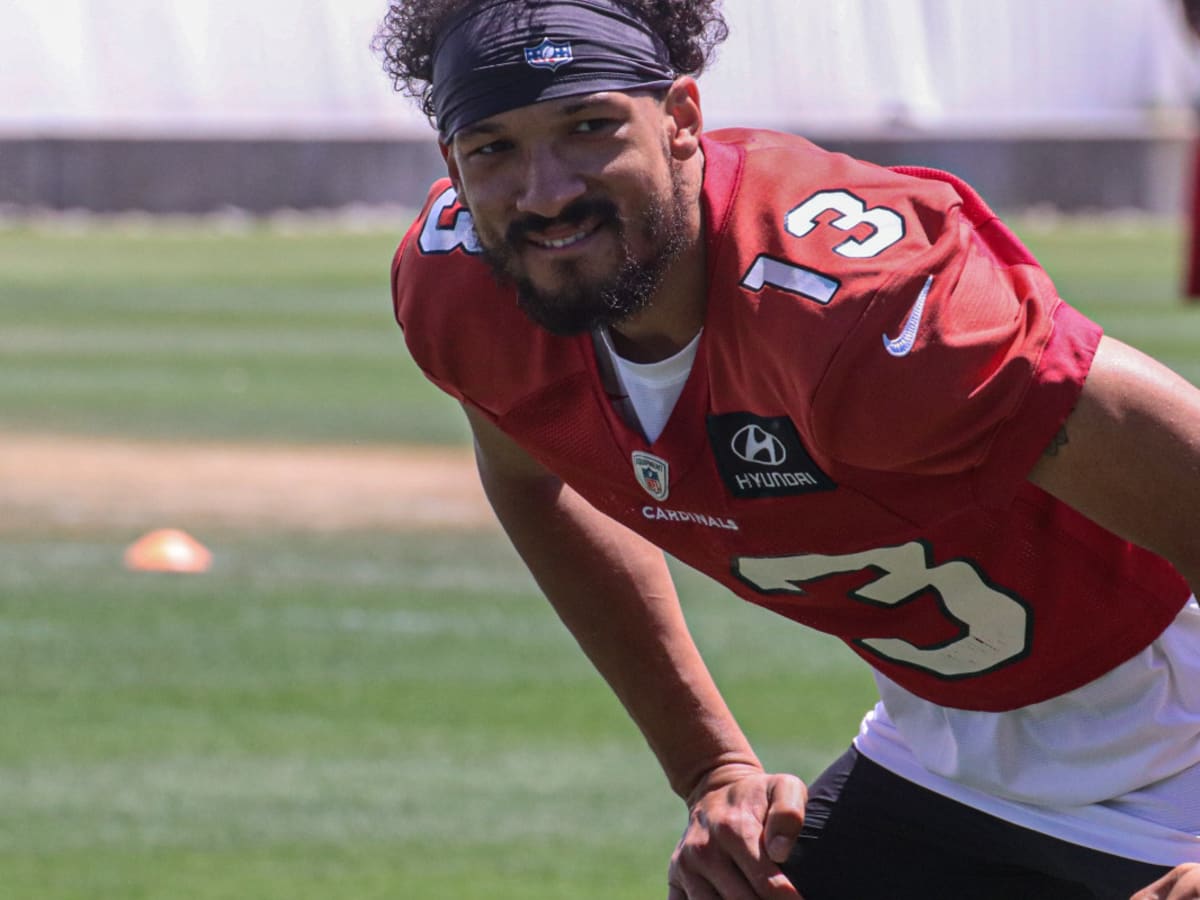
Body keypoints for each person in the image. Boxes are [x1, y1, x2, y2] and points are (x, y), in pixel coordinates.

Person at [377, 1, 1200, 896]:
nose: (545, 191)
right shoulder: (468, 290)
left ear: (683, 120)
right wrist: (712, 770)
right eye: (493, 147)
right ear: (450, 164)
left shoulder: (857, 311)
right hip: (947, 744)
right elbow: (534, 482)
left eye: (589, 127)